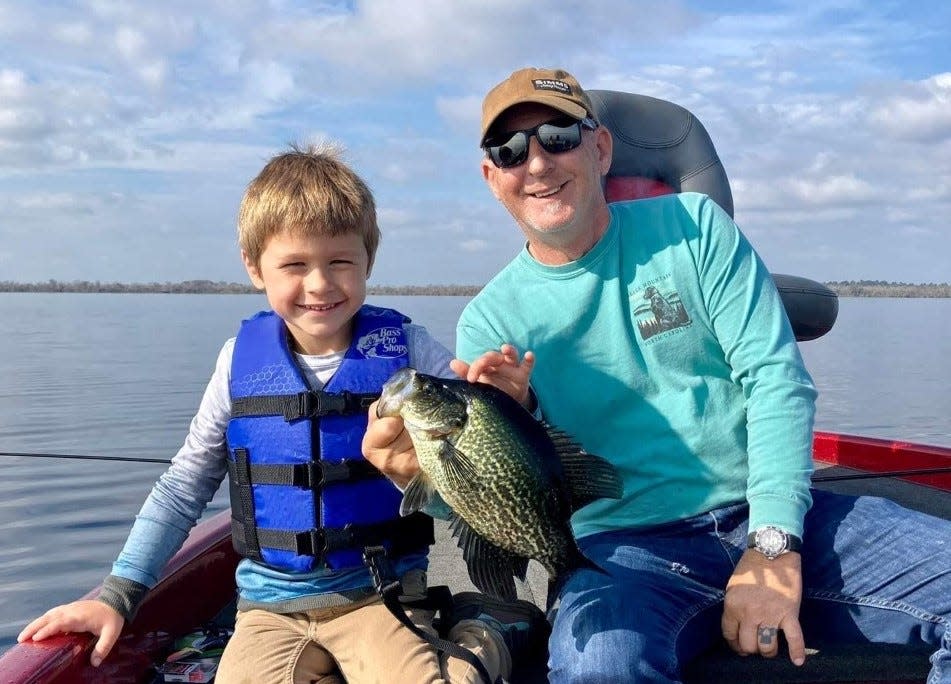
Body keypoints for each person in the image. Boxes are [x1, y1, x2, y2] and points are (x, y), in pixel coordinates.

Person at [363, 68, 951, 683]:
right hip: (621, 548)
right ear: (492, 178)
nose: (535, 163)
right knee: (600, 668)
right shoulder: (488, 320)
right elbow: (498, 495)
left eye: (558, 135)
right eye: (508, 151)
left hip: (763, 507)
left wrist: (773, 543)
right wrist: (435, 467)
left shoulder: (696, 228)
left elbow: (776, 378)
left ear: (601, 147)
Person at [17, 143, 541, 684]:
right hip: (269, 610)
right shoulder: (235, 362)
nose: (320, 284)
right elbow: (183, 486)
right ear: (255, 268)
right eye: (295, 265)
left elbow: (478, 453)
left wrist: (507, 400)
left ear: (368, 261)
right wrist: (119, 594)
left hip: (380, 594)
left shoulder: (409, 350)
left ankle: (484, 637)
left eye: (340, 261)